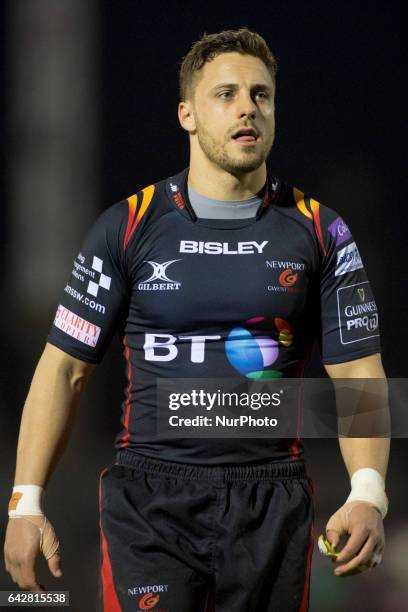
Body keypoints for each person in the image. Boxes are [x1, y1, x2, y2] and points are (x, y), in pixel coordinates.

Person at [4, 27, 389, 612]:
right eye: (226, 94)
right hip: (149, 503)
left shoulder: (320, 230)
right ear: (186, 113)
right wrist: (25, 503)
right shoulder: (127, 226)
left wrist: (368, 492)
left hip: (272, 504)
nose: (247, 109)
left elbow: (359, 371)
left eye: (261, 96)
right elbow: (63, 370)